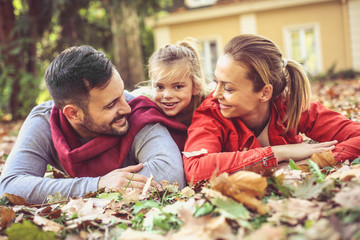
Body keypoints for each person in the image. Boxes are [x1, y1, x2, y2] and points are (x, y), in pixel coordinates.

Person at [0, 45, 185, 204]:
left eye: (122, 94)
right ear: (73, 114)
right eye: (111, 104)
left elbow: (170, 172)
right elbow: (10, 186)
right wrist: (98, 185)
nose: (126, 108)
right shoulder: (45, 121)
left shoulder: (138, 112)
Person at [183, 34, 360, 184]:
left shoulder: (289, 106)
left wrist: (307, 163)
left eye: (228, 88)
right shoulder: (211, 113)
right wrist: (277, 153)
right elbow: (194, 168)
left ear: (265, 92)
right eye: (216, 82)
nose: (216, 94)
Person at [129, 39, 211, 150]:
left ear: (196, 86)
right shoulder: (145, 99)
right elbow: (120, 98)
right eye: (160, 87)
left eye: (178, 87)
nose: (167, 95)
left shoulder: (207, 101)